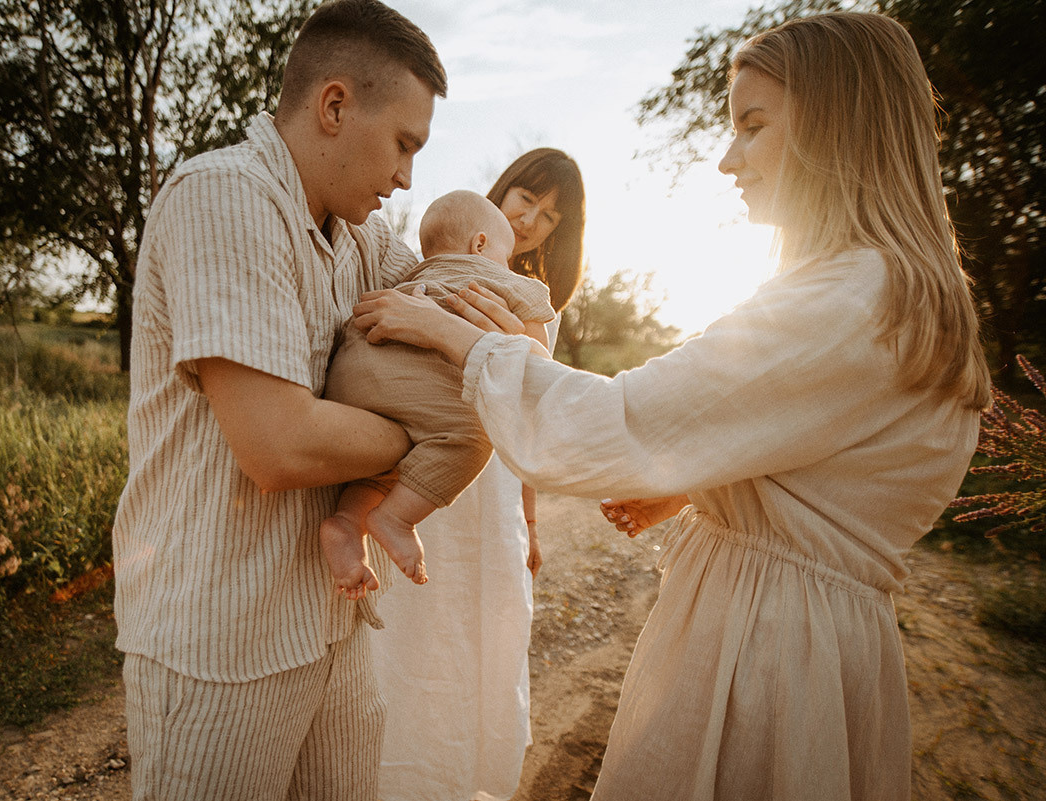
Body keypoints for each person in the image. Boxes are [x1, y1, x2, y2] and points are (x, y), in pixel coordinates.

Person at [352, 12, 989, 801]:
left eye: (752, 127)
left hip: (763, 652)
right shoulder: (897, 294)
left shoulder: (852, 296)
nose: (727, 160)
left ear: (838, 125)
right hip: (819, 640)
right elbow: (834, 468)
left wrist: (461, 337)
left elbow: (620, 420)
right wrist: (709, 484)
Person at [109, 1, 447, 798]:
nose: (407, 177)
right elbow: (278, 445)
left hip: (329, 623)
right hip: (217, 641)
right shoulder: (224, 197)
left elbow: (458, 299)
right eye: (404, 143)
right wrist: (429, 435)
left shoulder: (362, 238)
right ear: (335, 105)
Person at [370, 150, 586, 801]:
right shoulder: (431, 272)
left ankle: (467, 780)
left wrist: (530, 520)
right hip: (429, 473)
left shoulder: (535, 302)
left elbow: (532, 421)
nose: (534, 220)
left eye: (551, 216)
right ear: (498, 200)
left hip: (490, 487)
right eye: (527, 198)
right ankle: (402, 775)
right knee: (415, 635)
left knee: (486, 633)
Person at [320, 189, 554, 597]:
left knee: (394, 461)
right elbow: (540, 368)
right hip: (416, 393)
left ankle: (345, 522)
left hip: (347, 374)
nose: (533, 219)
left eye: (550, 215)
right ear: (480, 244)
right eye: (504, 255)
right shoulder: (508, 282)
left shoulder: (413, 274)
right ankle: (394, 519)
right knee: (472, 436)